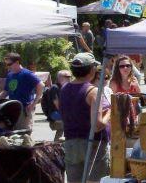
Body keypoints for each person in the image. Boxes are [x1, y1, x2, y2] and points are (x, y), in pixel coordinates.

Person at [59, 53, 110, 182]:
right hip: (92, 144)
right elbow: (97, 126)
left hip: (71, 143)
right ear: (92, 69)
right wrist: (109, 112)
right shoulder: (92, 91)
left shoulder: (64, 89)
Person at [0, 52, 44, 129]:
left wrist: (33, 103)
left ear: (17, 62)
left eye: (9, 64)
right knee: (12, 133)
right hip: (12, 108)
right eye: (6, 64)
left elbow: (41, 85)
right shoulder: (10, 75)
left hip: (25, 108)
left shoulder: (27, 74)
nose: (7, 67)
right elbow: (6, 91)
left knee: (24, 132)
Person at [41, 70, 71, 141]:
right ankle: (58, 144)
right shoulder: (55, 87)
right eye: (67, 76)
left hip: (58, 113)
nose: (69, 78)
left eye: (70, 76)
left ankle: (59, 143)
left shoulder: (63, 87)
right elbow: (56, 102)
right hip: (54, 113)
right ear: (60, 77)